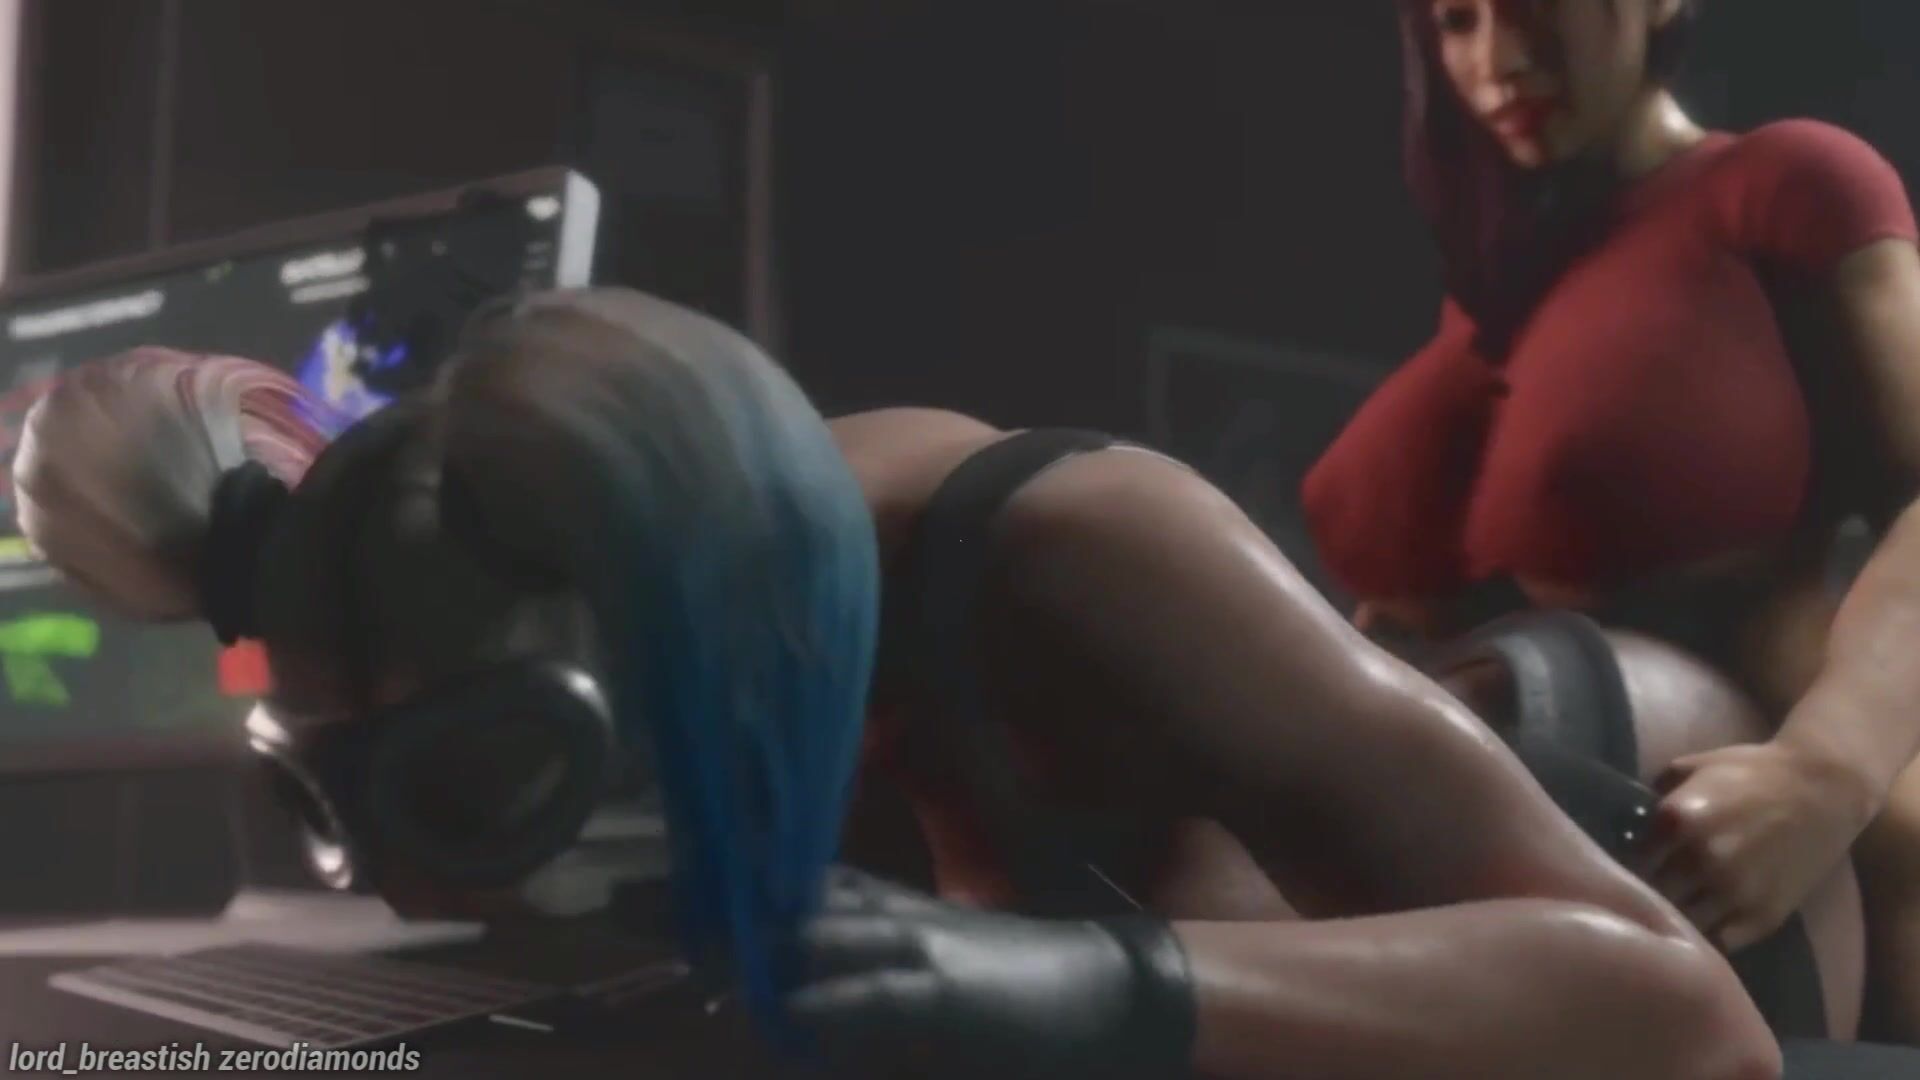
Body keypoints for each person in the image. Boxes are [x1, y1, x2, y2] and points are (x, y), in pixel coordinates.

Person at [14, 290, 1779, 1079]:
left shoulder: (1071, 547)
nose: (401, 885)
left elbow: (1694, 1024)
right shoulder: (617, 597)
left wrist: (1084, 989)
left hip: (1663, 832)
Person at [1301, 0, 1920, 1046]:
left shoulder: (1791, 185)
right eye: (1457, 21)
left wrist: (1827, 771)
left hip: (1765, 854)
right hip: (1477, 848)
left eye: (1531, 7)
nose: (1497, 59)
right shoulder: (1501, 299)